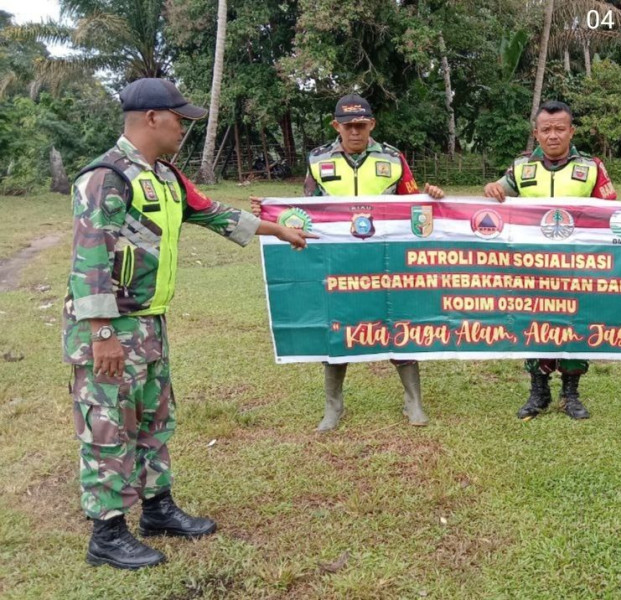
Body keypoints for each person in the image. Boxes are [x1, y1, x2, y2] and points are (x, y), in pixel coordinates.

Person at [64, 78, 311, 570]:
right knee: (108, 427)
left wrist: (278, 228)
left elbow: (213, 212)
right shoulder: (107, 177)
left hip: (150, 324)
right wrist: (102, 334)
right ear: (151, 117)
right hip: (111, 328)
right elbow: (89, 258)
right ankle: (107, 533)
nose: (184, 128)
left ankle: (157, 509)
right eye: (180, 119)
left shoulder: (166, 176)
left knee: (155, 420)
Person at [252, 94, 445, 432]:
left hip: (386, 261)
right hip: (337, 261)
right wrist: (272, 213)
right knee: (336, 328)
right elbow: (305, 210)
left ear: (372, 124)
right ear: (335, 125)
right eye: (347, 125)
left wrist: (433, 198)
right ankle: (333, 407)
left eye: (361, 125)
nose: (355, 131)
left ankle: (413, 402)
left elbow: (413, 205)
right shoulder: (318, 160)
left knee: (397, 324)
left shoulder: (394, 159)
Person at [484, 100, 617, 421]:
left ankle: (571, 394)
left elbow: (612, 211)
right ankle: (538, 391)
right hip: (533, 268)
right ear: (536, 133)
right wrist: (492, 190)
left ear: (571, 131)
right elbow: (497, 189)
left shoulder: (591, 167)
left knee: (575, 325)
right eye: (546, 130)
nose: (553, 135)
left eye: (560, 129)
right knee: (535, 326)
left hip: (577, 267)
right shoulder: (521, 168)